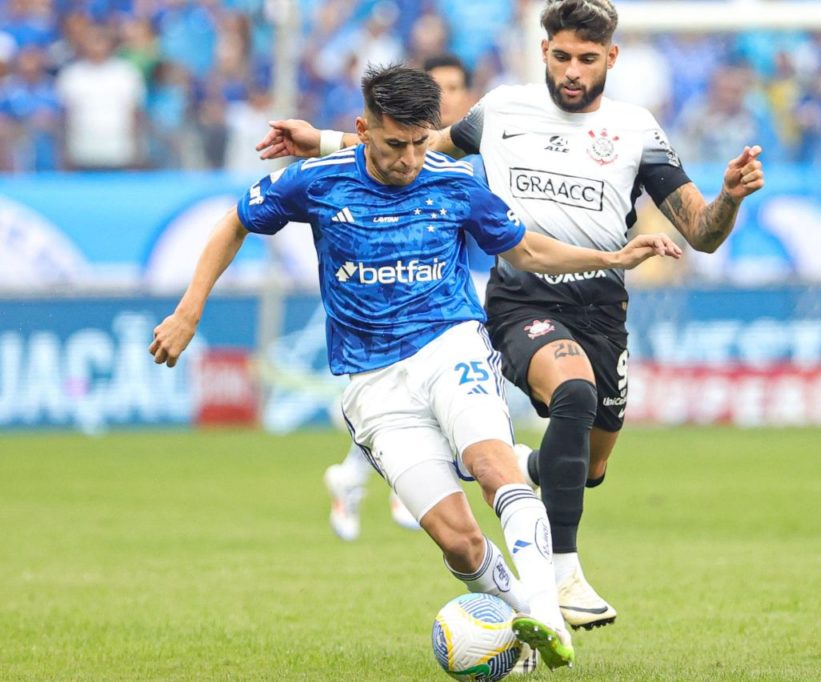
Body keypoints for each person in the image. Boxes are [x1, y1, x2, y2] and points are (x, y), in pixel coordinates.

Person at [255, 0, 765, 631]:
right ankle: (563, 574)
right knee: (573, 393)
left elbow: (702, 233)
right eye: (560, 56)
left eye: (586, 59)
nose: (572, 71)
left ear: (611, 57)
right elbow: (419, 148)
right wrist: (327, 141)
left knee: (589, 464)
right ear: (542, 49)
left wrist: (729, 200)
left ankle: (503, 464)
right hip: (522, 296)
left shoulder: (637, 130)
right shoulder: (500, 109)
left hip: (602, 302)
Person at [151, 64, 682, 670]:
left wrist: (612, 254)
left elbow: (527, 248)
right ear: (363, 130)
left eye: (420, 142)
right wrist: (189, 312)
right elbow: (235, 222)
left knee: (492, 466)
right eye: (394, 144)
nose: (408, 159)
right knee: (457, 540)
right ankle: (521, 626)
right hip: (371, 381)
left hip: (450, 345)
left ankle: (546, 609)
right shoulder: (316, 182)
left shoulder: (454, 183)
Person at [323, 54, 486, 542]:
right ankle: (409, 482)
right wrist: (326, 141)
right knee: (438, 392)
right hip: (405, 289)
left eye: (456, 87)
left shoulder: (479, 145)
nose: (449, 97)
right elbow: (370, 149)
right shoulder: (411, 151)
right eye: (440, 89)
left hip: (467, 280)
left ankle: (354, 477)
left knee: (453, 394)